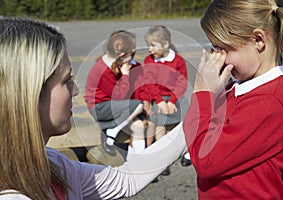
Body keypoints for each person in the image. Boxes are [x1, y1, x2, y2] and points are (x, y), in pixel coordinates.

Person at [0, 17, 187, 199]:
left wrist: (197, 117)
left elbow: (125, 180)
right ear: (29, 94)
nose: (75, 91)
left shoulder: (54, 165)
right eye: (66, 81)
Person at [183, 0, 283, 199]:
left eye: (222, 49)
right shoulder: (239, 88)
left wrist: (202, 95)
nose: (217, 58)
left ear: (258, 40)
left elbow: (206, 160)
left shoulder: (271, 101)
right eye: (214, 48)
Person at [84, 30, 146, 160]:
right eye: (132, 52)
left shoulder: (117, 63)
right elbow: (118, 96)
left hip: (116, 107)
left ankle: (137, 165)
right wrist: (125, 75)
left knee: (139, 126)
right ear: (122, 55)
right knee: (138, 106)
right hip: (100, 107)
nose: (134, 53)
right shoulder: (103, 69)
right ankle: (113, 129)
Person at [141, 25, 189, 174]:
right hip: (158, 98)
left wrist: (172, 101)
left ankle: (186, 152)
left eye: (153, 45)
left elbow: (181, 82)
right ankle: (162, 160)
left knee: (184, 120)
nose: (149, 49)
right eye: (148, 45)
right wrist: (161, 101)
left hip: (173, 97)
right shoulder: (149, 60)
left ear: (165, 44)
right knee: (159, 123)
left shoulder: (178, 61)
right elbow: (149, 83)